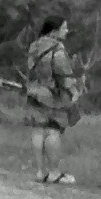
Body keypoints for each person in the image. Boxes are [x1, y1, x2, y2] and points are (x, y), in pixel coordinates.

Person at [23, 14, 79, 184]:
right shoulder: (58, 50)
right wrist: (74, 92)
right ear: (55, 31)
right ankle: (54, 173)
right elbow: (64, 75)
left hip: (34, 92)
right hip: (52, 96)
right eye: (64, 28)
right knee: (52, 130)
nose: (67, 31)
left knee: (37, 130)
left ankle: (40, 172)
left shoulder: (34, 46)